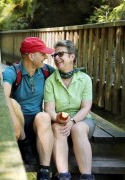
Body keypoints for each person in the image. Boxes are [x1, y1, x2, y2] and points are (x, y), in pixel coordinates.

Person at [3, 37, 55, 180]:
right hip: (17, 126)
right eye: (42, 53)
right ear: (31, 56)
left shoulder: (46, 71)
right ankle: (24, 143)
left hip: (37, 125)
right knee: (12, 103)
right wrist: (18, 129)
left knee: (44, 116)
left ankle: (44, 172)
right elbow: (3, 95)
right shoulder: (12, 72)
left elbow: (66, 77)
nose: (46, 57)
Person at [44, 40, 95, 180]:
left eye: (60, 54)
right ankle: (63, 175)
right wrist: (57, 118)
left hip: (83, 120)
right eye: (54, 55)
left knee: (77, 129)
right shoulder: (50, 81)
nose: (56, 58)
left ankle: (86, 176)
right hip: (60, 120)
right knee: (57, 128)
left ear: (72, 57)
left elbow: (86, 107)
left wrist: (72, 121)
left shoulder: (84, 79)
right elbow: (49, 109)